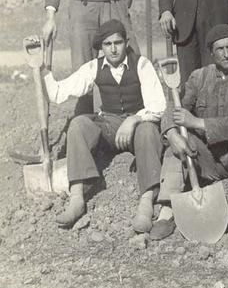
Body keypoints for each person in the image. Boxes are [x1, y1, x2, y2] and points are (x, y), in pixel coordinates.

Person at [26, 19, 167, 232]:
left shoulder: (142, 64)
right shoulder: (94, 67)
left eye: (117, 43)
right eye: (107, 44)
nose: (113, 49)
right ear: (101, 47)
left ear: (126, 42)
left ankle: (146, 203)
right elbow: (57, 93)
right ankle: (77, 199)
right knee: (79, 124)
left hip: (137, 126)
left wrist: (134, 119)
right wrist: (41, 65)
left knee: (148, 129)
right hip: (109, 125)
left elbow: (158, 106)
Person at [151, 24, 228, 244]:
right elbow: (173, 109)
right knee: (177, 142)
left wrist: (196, 122)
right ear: (211, 53)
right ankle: (168, 209)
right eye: (220, 49)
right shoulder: (199, 77)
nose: (226, 53)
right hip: (204, 160)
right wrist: (171, 133)